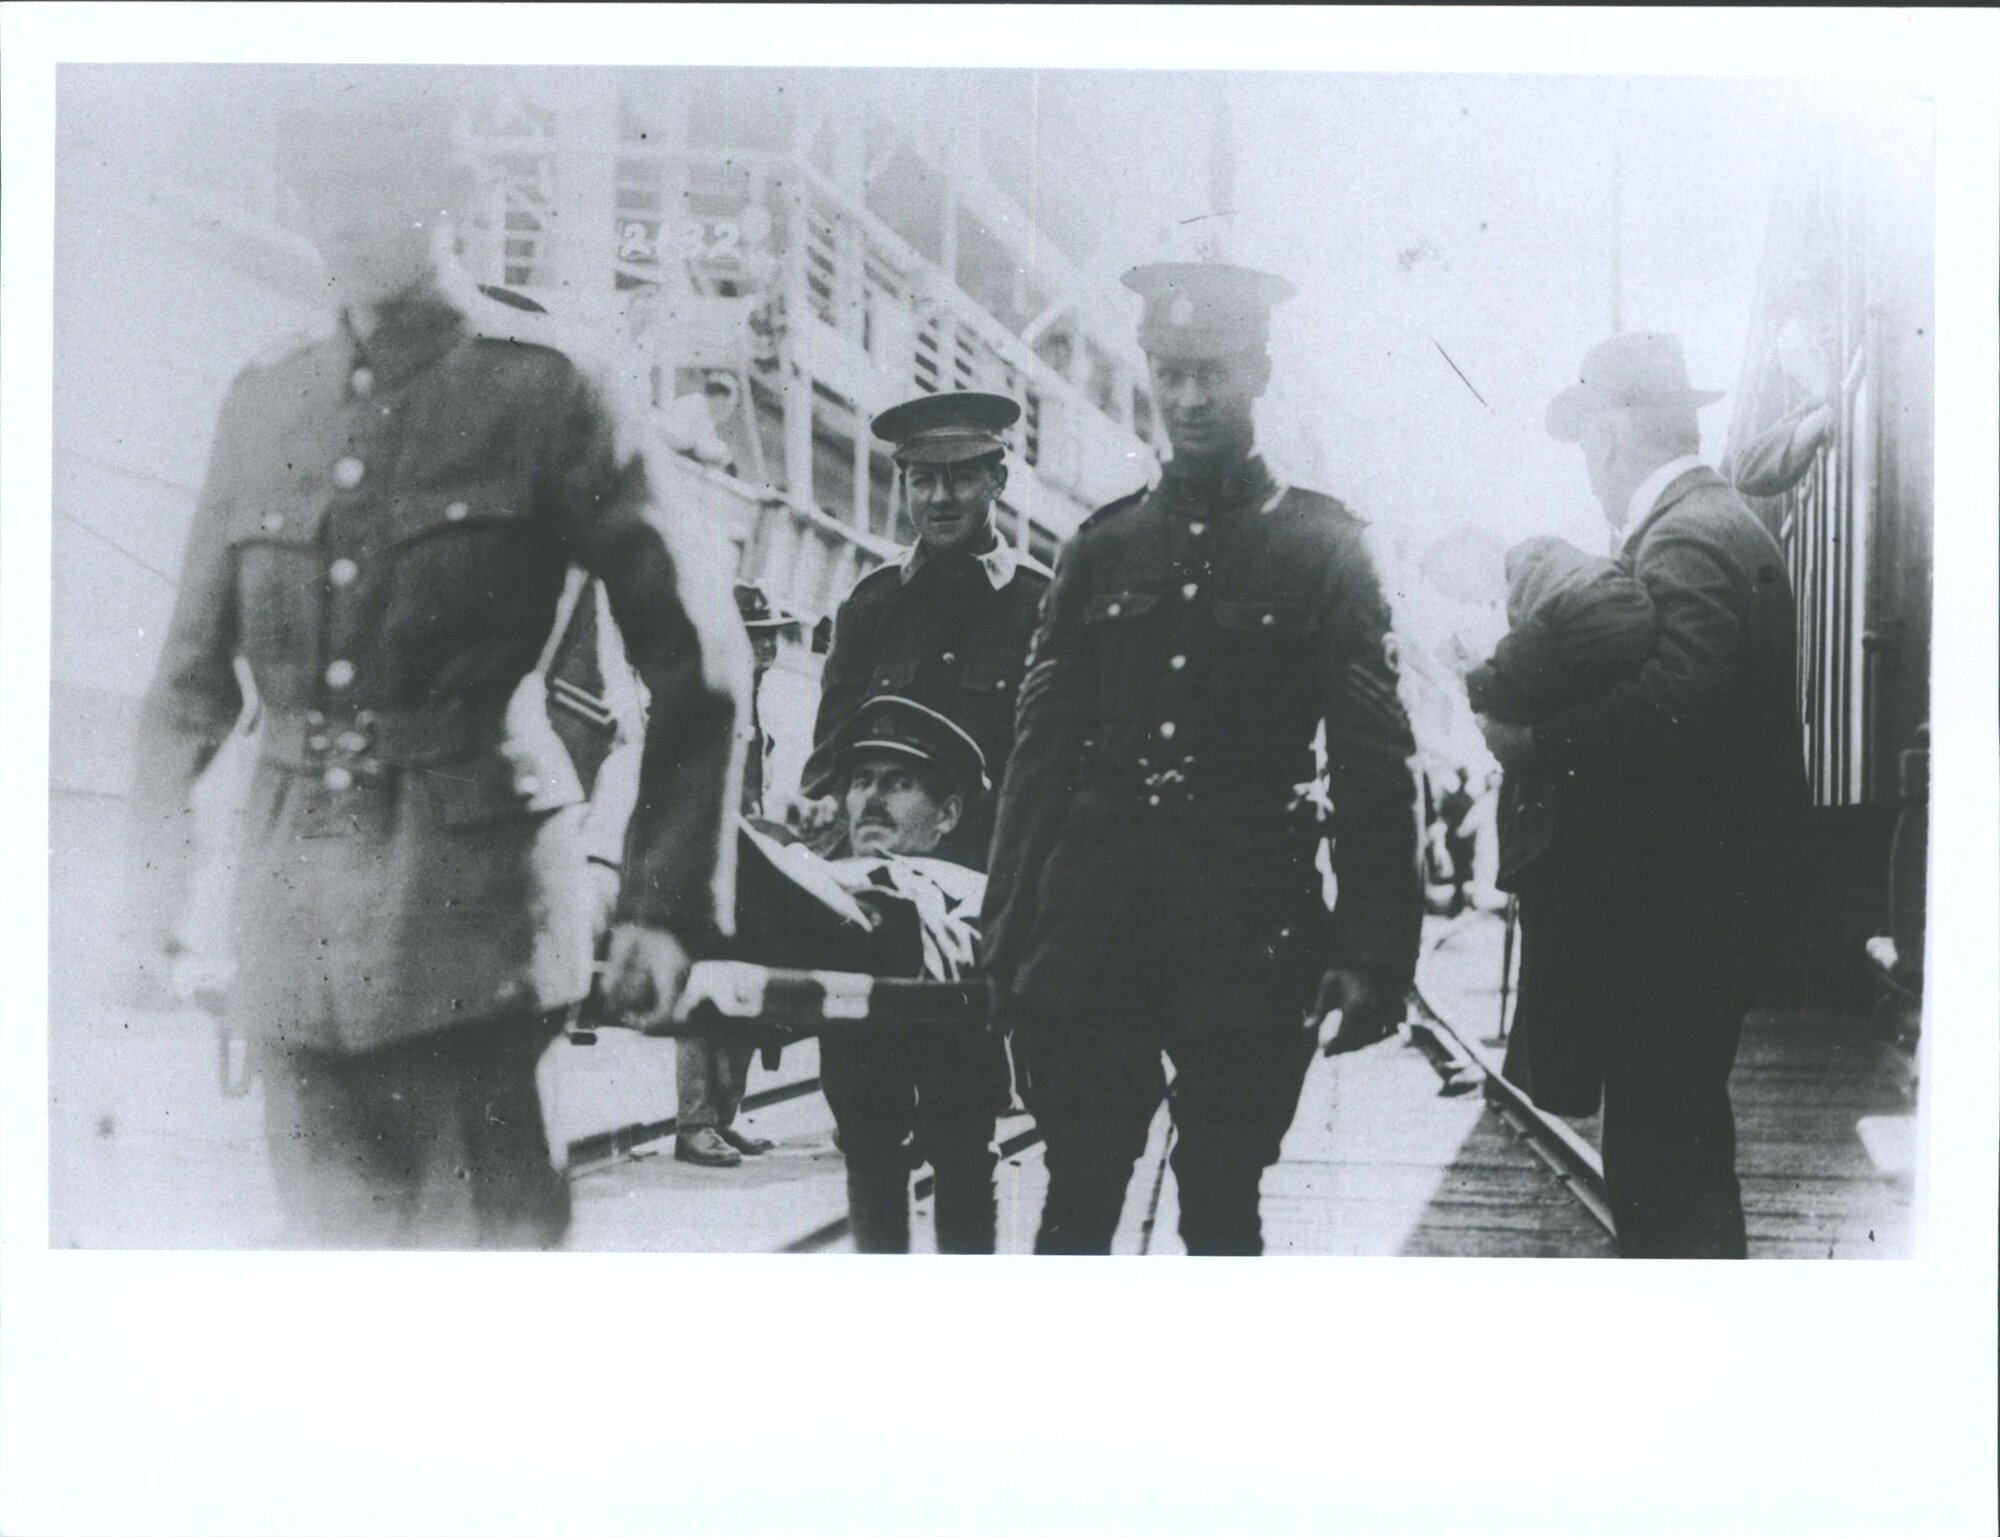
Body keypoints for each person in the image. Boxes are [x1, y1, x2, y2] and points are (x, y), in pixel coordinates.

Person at [122, 75, 748, 1249]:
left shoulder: (548, 389)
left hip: (477, 935)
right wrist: (143, 902)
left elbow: (695, 658)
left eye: (377, 185)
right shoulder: (266, 403)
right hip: (292, 932)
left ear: (448, 194)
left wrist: (662, 910)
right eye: (321, 187)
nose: (345, 217)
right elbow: (189, 682)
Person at [982, 262, 1425, 1256]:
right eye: (1168, 372)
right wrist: (1004, 936)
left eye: (1210, 373)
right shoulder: (1099, 548)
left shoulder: (1323, 547)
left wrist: (1371, 958)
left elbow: (1370, 762)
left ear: (1257, 371)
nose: (1186, 398)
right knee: (1078, 1192)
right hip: (1094, 928)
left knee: (1221, 1201)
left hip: (1246, 936)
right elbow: (1038, 759)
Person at [1478, 330, 1807, 1258]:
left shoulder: (1688, 532)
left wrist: (1535, 741)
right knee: (1679, 1152)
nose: (1589, 468)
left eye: (1587, 442)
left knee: (1666, 1170)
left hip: (1678, 921)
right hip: (1703, 913)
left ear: (1613, 437)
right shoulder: (1723, 521)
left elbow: (1679, 702)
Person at [803, 390, 1048, 870]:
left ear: (997, 480)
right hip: (880, 876)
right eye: (923, 480)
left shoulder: (1042, 605)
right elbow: (831, 763)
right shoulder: (872, 604)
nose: (940, 498)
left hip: (994, 882)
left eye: (960, 479)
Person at [804, 695, 1007, 1252]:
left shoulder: (973, 890)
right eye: (861, 781)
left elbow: (973, 949)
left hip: (957, 1053)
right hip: (859, 1051)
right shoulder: (821, 878)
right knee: (871, 1161)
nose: (872, 797)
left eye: (898, 783)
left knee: (964, 1162)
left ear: (946, 815)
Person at [673, 580, 802, 1167]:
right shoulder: (707, 697)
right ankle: (695, 1123)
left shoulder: (759, 708)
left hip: (748, 866)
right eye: (754, 640)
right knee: (704, 996)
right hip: (707, 865)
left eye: (769, 639)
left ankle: (724, 1118)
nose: (764, 650)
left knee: (746, 992)